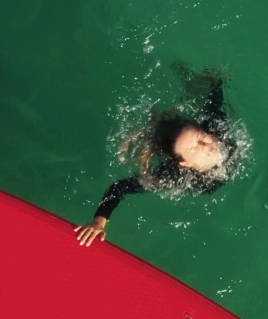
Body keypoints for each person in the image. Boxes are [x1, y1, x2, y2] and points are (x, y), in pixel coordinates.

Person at [75, 68, 241, 246]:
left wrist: (216, 81)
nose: (206, 146)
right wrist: (100, 221)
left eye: (201, 137)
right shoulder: (171, 177)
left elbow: (214, 101)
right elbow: (119, 188)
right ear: (185, 163)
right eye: (194, 149)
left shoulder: (218, 128)